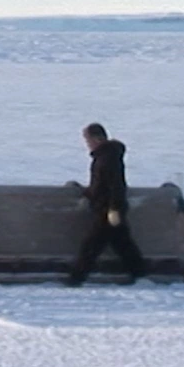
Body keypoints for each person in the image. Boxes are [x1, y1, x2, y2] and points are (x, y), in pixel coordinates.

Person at [66, 122, 147, 286]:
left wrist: (113, 208)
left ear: (96, 138)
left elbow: (115, 185)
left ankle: (76, 278)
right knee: (122, 244)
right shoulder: (107, 156)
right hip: (109, 208)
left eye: (88, 139)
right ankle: (141, 274)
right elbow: (101, 185)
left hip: (107, 210)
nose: (87, 143)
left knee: (92, 245)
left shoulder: (107, 158)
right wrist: (87, 191)